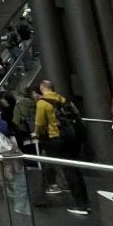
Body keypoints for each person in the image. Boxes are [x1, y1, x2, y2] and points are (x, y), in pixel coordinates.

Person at [35, 80, 91, 215]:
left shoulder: (42, 103)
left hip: (57, 139)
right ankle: (84, 200)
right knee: (74, 169)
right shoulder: (63, 99)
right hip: (72, 138)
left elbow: (40, 124)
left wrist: (36, 134)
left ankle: (81, 204)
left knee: (68, 171)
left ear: (42, 88)